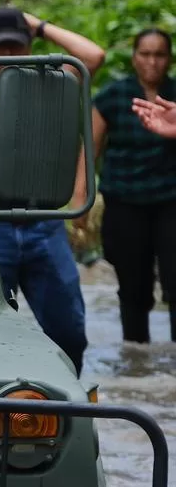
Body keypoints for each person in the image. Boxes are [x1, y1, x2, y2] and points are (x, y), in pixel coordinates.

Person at [0, 6, 104, 373]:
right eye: (0, 47)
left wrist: (39, 24)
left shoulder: (50, 82)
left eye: (17, 46)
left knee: (70, 332)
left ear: (30, 45)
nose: (10, 55)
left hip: (43, 224)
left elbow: (93, 57)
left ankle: (64, 408)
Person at [83, 27, 176, 343]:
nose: (152, 62)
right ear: (134, 58)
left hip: (171, 201)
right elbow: (89, 152)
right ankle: (136, 360)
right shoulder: (113, 95)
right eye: (145, 54)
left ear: (170, 59)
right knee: (133, 287)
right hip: (125, 202)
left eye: (160, 54)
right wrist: (80, 204)